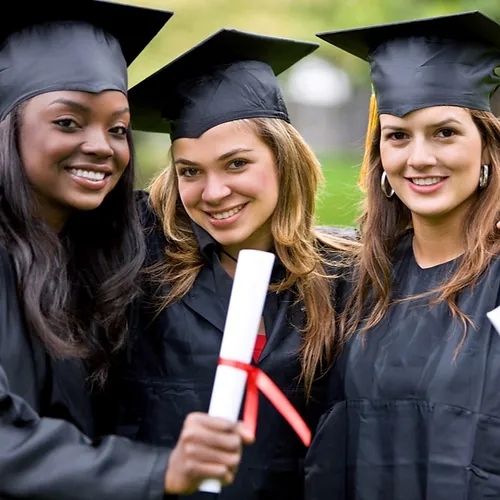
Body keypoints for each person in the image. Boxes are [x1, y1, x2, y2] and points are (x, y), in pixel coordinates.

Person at [0, 3, 252, 498]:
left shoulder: (91, 253)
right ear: (8, 125)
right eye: (69, 122)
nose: (103, 146)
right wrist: (158, 472)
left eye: (118, 128)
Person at [106, 28, 357, 500]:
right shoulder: (139, 260)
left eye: (237, 163)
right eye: (190, 172)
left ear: (284, 160)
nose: (214, 192)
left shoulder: (343, 274)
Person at [305, 11, 500, 500]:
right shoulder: (352, 281)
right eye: (397, 135)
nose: (419, 158)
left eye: (445, 133)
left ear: (487, 150)